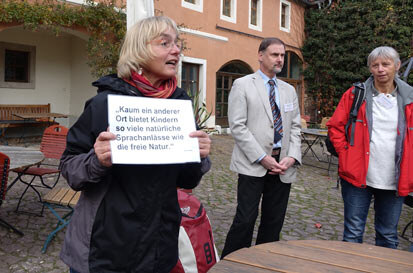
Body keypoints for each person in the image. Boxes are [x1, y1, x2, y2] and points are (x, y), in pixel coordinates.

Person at [59, 16, 211, 273]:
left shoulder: (180, 107)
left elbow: (187, 180)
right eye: (165, 43)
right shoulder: (104, 104)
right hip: (105, 247)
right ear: (139, 50)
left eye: (177, 44)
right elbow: (70, 169)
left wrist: (199, 156)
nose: (176, 50)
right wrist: (96, 160)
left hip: (159, 245)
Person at [221, 37, 302, 258]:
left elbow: (295, 127)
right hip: (252, 164)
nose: (280, 59)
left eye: (283, 55)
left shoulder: (288, 90)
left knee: (273, 221)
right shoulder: (243, 85)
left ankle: (264, 262)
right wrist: (261, 157)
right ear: (260, 55)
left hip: (282, 166)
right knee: (245, 219)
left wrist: (292, 157)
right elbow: (237, 127)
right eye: (275, 54)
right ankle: (233, 262)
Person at [327, 46, 413, 249]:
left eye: (386, 64)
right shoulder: (356, 94)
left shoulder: (410, 98)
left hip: (394, 179)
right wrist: (346, 154)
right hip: (357, 176)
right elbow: (335, 126)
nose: (380, 69)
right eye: (375, 65)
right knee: (353, 233)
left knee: (387, 235)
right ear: (370, 69)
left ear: (397, 66)